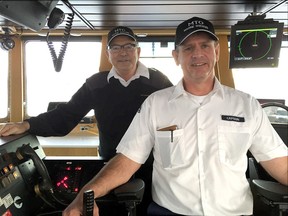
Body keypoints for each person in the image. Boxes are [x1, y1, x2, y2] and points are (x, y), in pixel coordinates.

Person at [62, 16, 288, 216]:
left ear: (216, 52)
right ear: (176, 56)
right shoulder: (155, 104)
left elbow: (281, 165)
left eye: (205, 45)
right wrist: (85, 194)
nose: (197, 53)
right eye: (187, 48)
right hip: (169, 211)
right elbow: (127, 160)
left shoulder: (247, 105)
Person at [0, 26, 173, 215]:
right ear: (108, 54)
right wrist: (27, 124)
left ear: (138, 51)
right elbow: (66, 114)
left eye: (128, 46)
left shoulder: (158, 82)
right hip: (111, 164)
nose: (122, 52)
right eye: (115, 48)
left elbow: (175, 119)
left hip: (152, 166)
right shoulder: (96, 84)